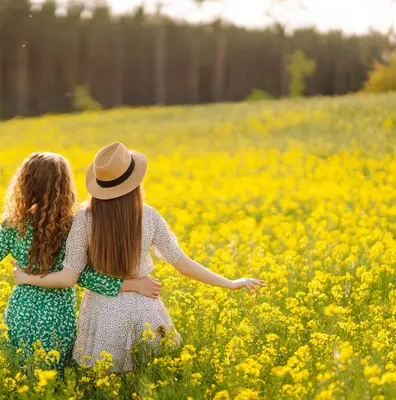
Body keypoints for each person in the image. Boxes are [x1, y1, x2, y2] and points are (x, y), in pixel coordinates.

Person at [13, 143, 265, 371]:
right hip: (145, 310)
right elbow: (183, 264)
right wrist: (230, 282)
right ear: (134, 183)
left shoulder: (85, 219)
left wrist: (25, 278)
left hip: (102, 315)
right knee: (150, 379)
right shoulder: (149, 216)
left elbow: (69, 277)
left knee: (107, 385)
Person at [0, 152, 160, 371]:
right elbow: (82, 276)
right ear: (64, 187)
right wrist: (131, 285)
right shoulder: (71, 227)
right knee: (54, 384)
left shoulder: (14, 226)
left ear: (25, 185)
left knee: (20, 379)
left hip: (20, 315)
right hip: (57, 321)